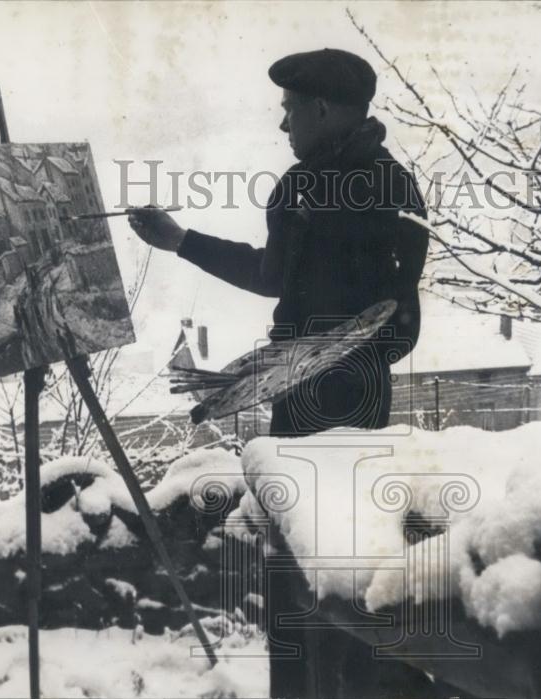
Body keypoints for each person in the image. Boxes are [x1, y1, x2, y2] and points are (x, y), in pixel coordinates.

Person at [128, 48, 431, 698]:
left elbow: (394, 318)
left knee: (337, 567)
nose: (282, 123)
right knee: (301, 563)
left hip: (344, 395)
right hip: (302, 394)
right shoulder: (310, 187)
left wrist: (325, 356)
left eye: (290, 109)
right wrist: (182, 240)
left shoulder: (382, 187)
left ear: (323, 108)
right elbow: (275, 277)